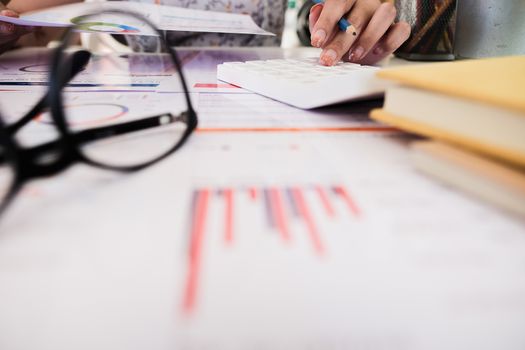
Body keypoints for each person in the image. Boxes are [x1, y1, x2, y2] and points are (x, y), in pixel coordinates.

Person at [0, 0, 409, 65]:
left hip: (258, 96)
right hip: (134, 81)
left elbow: (305, 13)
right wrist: (20, 22)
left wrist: (346, 20)